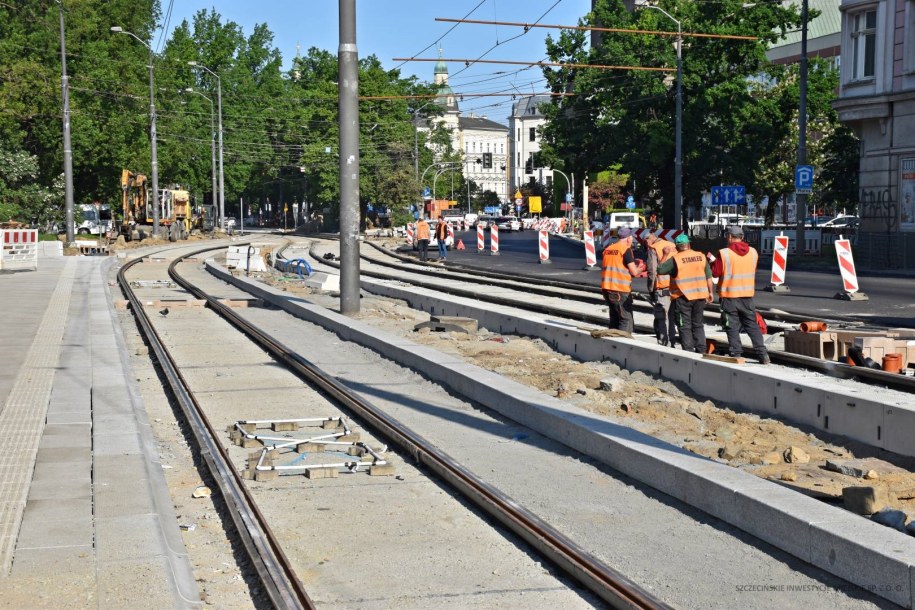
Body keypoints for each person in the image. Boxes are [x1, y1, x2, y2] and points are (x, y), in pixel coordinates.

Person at [711, 225, 769, 364]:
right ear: (742, 237)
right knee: (752, 325)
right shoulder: (753, 252)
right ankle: (763, 355)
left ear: (730, 237)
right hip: (747, 296)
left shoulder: (724, 253)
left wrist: (713, 262)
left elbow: (715, 273)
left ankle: (736, 354)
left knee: (731, 326)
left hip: (729, 296)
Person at [657, 234, 714, 353]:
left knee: (684, 326)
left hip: (683, 297)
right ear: (688, 244)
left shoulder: (676, 259)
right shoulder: (701, 256)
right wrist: (710, 292)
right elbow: (708, 276)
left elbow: (660, 270)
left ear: (677, 247)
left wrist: (665, 254)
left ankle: (688, 351)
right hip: (700, 296)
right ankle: (701, 350)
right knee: (698, 324)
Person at [600, 227, 646, 333]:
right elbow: (634, 272)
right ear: (628, 238)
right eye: (632, 238)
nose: (632, 241)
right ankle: (624, 340)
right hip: (620, 290)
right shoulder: (625, 250)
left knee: (615, 317)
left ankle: (612, 339)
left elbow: (615, 266)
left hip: (607, 288)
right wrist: (641, 268)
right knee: (626, 319)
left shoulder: (608, 249)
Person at [644, 231, 677, 347]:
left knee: (662, 317)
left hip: (662, 287)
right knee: (672, 317)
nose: (645, 244)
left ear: (649, 239)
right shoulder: (672, 245)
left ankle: (664, 344)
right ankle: (672, 342)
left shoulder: (653, 249)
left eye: (645, 241)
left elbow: (652, 271)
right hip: (675, 287)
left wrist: (650, 288)